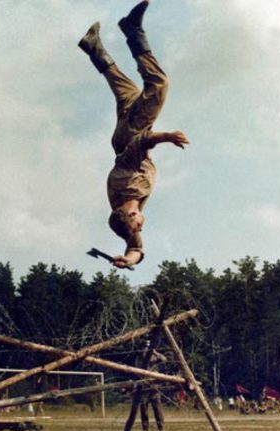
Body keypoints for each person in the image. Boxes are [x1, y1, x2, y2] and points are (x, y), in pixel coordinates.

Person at [78, 1, 189, 269]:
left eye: (136, 222)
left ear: (129, 214)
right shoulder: (125, 211)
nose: (141, 224)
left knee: (158, 84)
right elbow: (136, 246)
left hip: (132, 135)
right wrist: (127, 259)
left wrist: (167, 136)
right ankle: (93, 47)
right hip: (122, 138)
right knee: (124, 88)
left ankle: (132, 29)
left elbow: (140, 142)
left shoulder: (128, 185)